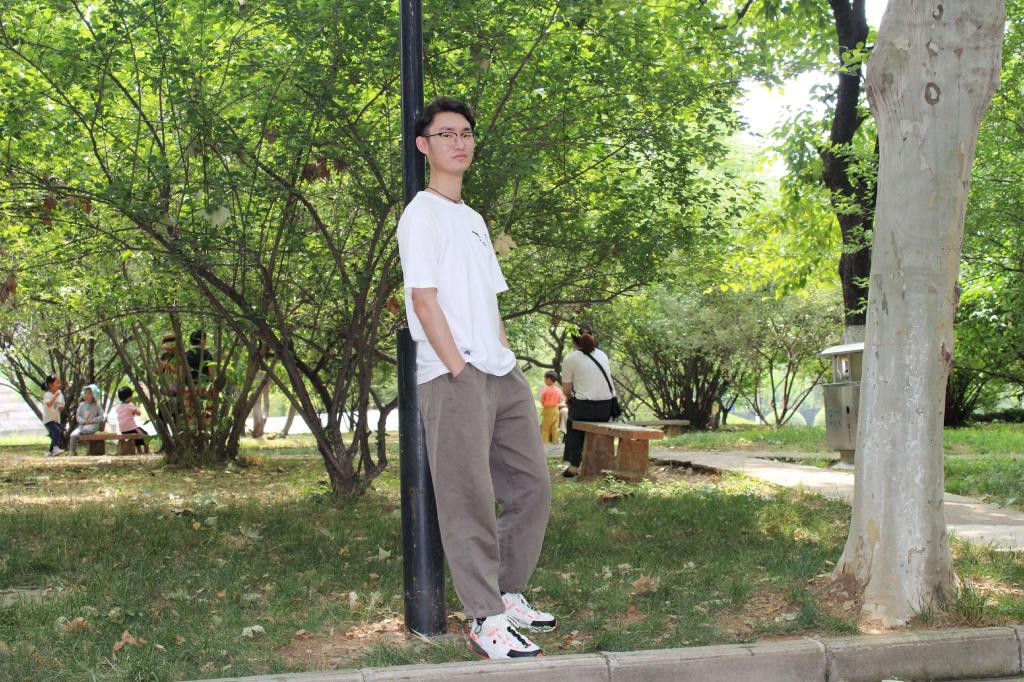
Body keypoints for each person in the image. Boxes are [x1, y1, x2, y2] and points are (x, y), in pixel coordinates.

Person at [397, 96, 555, 659]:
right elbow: (423, 299)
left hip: (499, 372)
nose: (459, 142)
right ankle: (486, 620)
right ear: (424, 146)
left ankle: (507, 594)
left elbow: (489, 298)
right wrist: (459, 367)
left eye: (465, 133)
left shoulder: (472, 219)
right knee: (468, 498)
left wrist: (505, 358)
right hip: (453, 375)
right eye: (446, 134)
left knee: (531, 486)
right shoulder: (421, 215)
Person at [560, 325, 617, 478]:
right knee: (576, 415)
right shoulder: (602, 355)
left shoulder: (570, 359)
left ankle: (574, 466)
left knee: (572, 423)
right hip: (606, 408)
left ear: (573, 341)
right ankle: (590, 462)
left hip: (584, 408)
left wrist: (570, 398)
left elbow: (567, 391)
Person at [69, 384, 103, 456]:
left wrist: (93, 420)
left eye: (89, 393)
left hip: (93, 425)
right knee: (73, 435)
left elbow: (101, 416)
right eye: (85, 393)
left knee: (86, 430)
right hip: (82, 426)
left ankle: (83, 433)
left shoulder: (97, 405)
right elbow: (78, 416)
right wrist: (83, 421)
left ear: (94, 395)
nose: (86, 395)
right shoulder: (81, 405)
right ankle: (72, 451)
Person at [116, 386, 150, 454]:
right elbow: (139, 413)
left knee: (137, 439)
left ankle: (139, 451)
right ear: (129, 397)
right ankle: (146, 451)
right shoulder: (130, 405)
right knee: (146, 435)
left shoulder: (119, 407)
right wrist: (136, 406)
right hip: (132, 429)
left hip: (123, 430)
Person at [41, 375, 65, 456]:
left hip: (56, 419)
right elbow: (49, 404)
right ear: (50, 385)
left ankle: (50, 452)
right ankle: (55, 449)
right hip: (48, 419)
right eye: (57, 383)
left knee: (56, 433)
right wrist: (55, 396)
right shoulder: (47, 395)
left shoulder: (60, 395)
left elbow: (62, 405)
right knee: (57, 431)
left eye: (59, 383)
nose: (59, 385)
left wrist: (61, 407)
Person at [538, 371, 562, 444]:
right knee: (554, 427)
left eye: (545, 379)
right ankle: (555, 443)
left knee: (545, 428)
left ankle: (544, 444)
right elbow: (559, 400)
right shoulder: (558, 390)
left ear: (548, 380)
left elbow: (542, 400)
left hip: (548, 410)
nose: (544, 380)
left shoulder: (545, 389)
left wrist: (544, 404)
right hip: (556, 410)